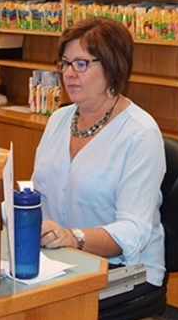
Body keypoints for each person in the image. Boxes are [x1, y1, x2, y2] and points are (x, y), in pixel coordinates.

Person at [31, 17, 167, 297]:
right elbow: (39, 192)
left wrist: (74, 238)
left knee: (30, 303)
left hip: (123, 267)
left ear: (112, 68)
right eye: (65, 63)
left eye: (81, 64)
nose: (69, 73)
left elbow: (133, 230)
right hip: (63, 257)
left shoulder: (140, 134)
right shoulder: (59, 119)